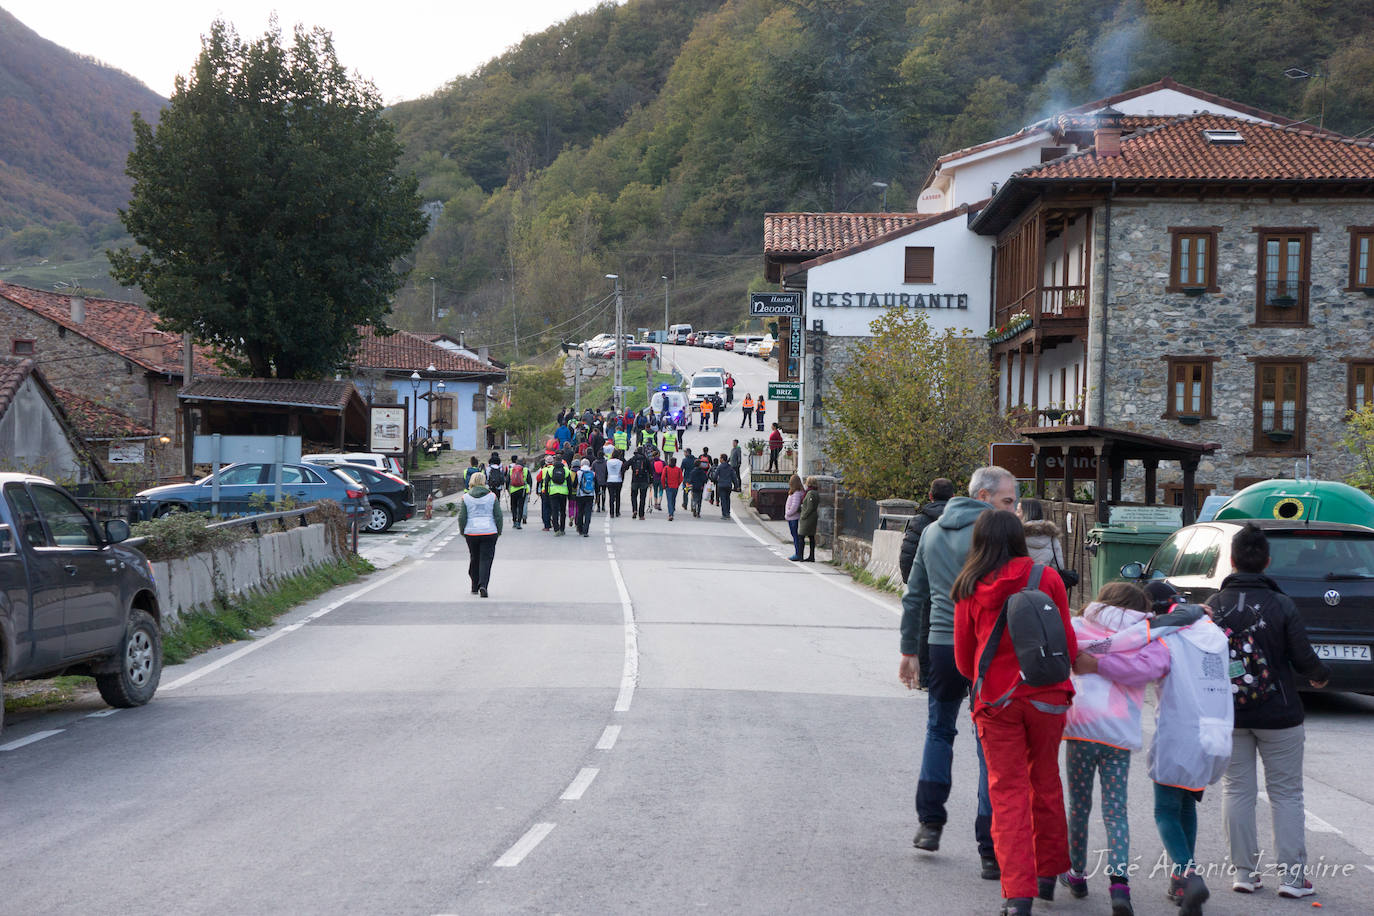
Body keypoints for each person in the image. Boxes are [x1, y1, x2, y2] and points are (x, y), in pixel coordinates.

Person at [951, 510, 1075, 916]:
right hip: (1048, 696)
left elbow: (964, 660)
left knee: (1007, 793)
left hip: (998, 700)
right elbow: (1068, 646)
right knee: (1046, 780)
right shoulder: (1047, 578)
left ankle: (1017, 893)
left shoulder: (970, 585)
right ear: (1019, 538)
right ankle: (1047, 874)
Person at [901, 466, 1019, 882]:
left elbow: (914, 596)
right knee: (989, 744)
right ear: (984, 497)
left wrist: (908, 651)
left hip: (941, 644)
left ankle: (930, 823)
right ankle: (990, 847)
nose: (1013, 509)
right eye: (1007, 501)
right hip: (987, 647)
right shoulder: (995, 535)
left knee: (938, 729)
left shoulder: (932, 532)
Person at [1208, 523, 1330, 899]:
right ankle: (1293, 879)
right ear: (1267, 562)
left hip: (1231, 713)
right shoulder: (1281, 604)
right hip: (1280, 714)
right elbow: (1303, 658)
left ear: (1231, 561)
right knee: (1287, 794)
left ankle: (1244, 873)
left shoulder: (1214, 605)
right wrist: (1320, 677)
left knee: (1237, 790)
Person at [1060, 581, 1172, 915]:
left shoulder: (1077, 627)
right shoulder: (1144, 634)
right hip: (1118, 735)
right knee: (1115, 810)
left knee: (1079, 807)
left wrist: (1094, 663)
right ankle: (1119, 885)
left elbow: (1058, 653)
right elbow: (1154, 668)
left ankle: (1077, 875)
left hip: (1080, 728)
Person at [1146, 595, 1233, 914]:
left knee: (1165, 809)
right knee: (1185, 804)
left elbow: (1146, 665)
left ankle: (1189, 872)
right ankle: (1181, 880)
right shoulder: (1216, 634)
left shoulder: (1168, 636)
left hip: (1177, 732)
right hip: (1214, 733)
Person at [898, 478, 955, 688]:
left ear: (930, 496)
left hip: (927, 582)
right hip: (953, 584)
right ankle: (953, 677)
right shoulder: (960, 520)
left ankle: (923, 677)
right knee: (953, 628)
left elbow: (907, 554)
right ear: (953, 497)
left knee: (924, 628)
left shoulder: (919, 521)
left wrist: (909, 580)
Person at [459, 471, 502, 598]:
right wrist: (498, 530)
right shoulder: (492, 496)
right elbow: (498, 515)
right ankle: (483, 585)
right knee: (486, 559)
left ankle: (474, 585)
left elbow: (462, 517)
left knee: (474, 557)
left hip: (471, 532)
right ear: (484, 481)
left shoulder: (465, 497)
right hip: (489, 531)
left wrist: (463, 531)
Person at [1018, 498, 1066, 569]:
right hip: (1047, 578)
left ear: (1026, 514)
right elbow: (1059, 565)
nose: (1015, 514)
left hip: (1024, 579)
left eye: (1018, 511)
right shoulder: (1051, 536)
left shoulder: (1017, 537)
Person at [545, 456, 570, 536]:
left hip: (553, 493)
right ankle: (562, 529)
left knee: (554, 511)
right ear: (562, 461)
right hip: (563, 493)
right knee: (563, 511)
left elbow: (546, 483)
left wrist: (547, 493)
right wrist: (569, 495)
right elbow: (569, 484)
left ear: (554, 461)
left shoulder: (550, 470)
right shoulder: (566, 470)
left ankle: (556, 529)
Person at [797, 476, 819, 561]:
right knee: (811, 536)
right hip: (813, 517)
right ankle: (811, 556)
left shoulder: (810, 493)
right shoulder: (815, 492)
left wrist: (803, 515)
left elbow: (810, 507)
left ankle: (800, 556)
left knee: (801, 536)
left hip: (808, 518)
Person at [628, 447, 653, 520]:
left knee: (633, 496)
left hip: (635, 480)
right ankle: (641, 515)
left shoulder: (633, 458)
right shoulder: (646, 459)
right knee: (642, 498)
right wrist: (651, 481)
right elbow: (651, 471)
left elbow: (625, 465)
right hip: (644, 481)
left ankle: (634, 510)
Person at [784, 475, 805, 560]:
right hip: (793, 517)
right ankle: (798, 554)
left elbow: (795, 506)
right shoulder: (797, 492)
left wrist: (788, 513)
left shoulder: (796, 493)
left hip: (793, 518)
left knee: (796, 536)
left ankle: (798, 554)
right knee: (796, 536)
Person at [574, 458, 596, 537]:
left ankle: (580, 529)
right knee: (588, 513)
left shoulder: (578, 473)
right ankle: (586, 530)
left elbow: (574, 484)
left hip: (580, 495)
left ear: (581, 464)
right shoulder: (593, 473)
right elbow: (595, 485)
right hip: (590, 495)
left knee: (580, 512)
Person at [505, 456, 528, 529]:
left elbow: (507, 480)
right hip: (522, 490)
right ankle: (519, 523)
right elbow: (530, 481)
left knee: (513, 506)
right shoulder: (526, 470)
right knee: (520, 506)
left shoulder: (511, 470)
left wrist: (507, 489)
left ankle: (514, 521)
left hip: (513, 490)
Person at [606, 448, 625, 518]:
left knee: (611, 497)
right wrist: (622, 479)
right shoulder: (620, 462)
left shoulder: (608, 462)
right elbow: (622, 471)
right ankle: (617, 512)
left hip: (610, 480)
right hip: (618, 480)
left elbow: (606, 471)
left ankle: (611, 512)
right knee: (618, 496)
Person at [662, 456, 683, 521]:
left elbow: (662, 478)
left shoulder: (666, 468)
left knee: (669, 500)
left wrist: (663, 486)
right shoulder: (678, 469)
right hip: (675, 487)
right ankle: (672, 509)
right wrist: (678, 484)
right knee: (673, 499)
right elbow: (681, 478)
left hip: (668, 486)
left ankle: (670, 514)